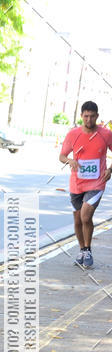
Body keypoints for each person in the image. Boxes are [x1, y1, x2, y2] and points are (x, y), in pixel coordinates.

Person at [59, 100, 112, 268]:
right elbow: (62, 156)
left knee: (85, 216)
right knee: (77, 220)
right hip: (77, 183)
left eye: (92, 116)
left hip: (97, 183)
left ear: (97, 116)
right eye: (86, 116)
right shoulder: (73, 134)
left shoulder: (106, 134)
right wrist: (69, 160)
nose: (89, 119)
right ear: (81, 116)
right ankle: (82, 249)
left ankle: (88, 250)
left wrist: (110, 169)